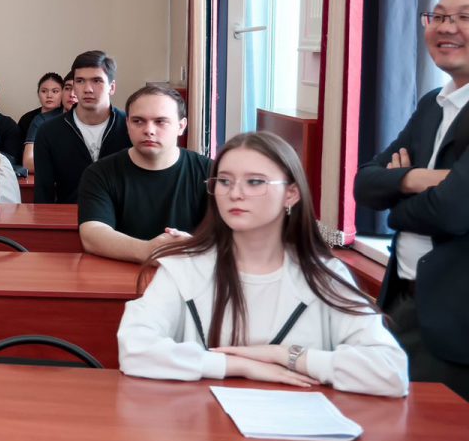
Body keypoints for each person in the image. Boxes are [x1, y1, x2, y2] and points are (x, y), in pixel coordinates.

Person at [119, 132, 407, 397]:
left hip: (296, 427)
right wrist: (238, 365)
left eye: (255, 182)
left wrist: (287, 356)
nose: (235, 193)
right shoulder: (184, 267)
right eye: (224, 181)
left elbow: (390, 371)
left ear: (291, 194)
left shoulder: (325, 275)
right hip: (202, 423)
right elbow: (135, 347)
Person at [354, 0, 469, 398]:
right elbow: (365, 185)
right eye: (438, 16)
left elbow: (453, 211)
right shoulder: (432, 104)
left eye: (464, 17)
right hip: (401, 301)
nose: (446, 27)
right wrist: (418, 180)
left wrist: (397, 206)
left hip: (454, 322)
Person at [77, 84, 212, 263]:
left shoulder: (210, 172)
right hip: (119, 272)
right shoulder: (99, 173)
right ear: (127, 124)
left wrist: (193, 246)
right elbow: (92, 234)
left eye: (160, 121)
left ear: (181, 126)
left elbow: (230, 232)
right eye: (138, 121)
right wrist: (148, 250)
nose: (149, 130)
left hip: (191, 270)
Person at [33, 51, 131, 204]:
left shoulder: (129, 126)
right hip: (69, 214)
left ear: (111, 87)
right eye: (80, 81)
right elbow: (43, 192)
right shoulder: (49, 132)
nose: (88, 89)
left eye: (97, 81)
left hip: (120, 215)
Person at [17, 72, 66, 174]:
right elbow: (21, 155)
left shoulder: (67, 116)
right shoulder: (28, 119)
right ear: (38, 93)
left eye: (55, 91)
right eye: (44, 91)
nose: (49, 95)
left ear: (63, 93)